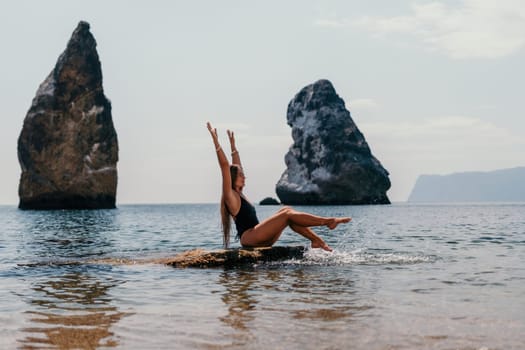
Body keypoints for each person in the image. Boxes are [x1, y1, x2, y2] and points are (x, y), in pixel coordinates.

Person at [207, 122, 351, 251]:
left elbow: (236, 166)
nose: (244, 177)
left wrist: (233, 147)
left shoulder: (240, 193)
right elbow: (225, 167)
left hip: (260, 237)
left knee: (286, 210)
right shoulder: (230, 196)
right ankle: (327, 221)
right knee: (287, 214)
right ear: (233, 179)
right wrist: (216, 142)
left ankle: (316, 241)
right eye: (241, 175)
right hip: (250, 238)